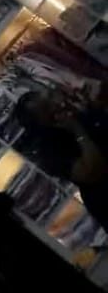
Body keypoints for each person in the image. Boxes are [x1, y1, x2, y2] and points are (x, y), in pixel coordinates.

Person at [14, 87, 108, 231]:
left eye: (51, 98)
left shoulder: (78, 112)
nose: (57, 104)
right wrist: (78, 130)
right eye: (47, 108)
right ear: (42, 122)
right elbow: (92, 171)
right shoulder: (50, 152)